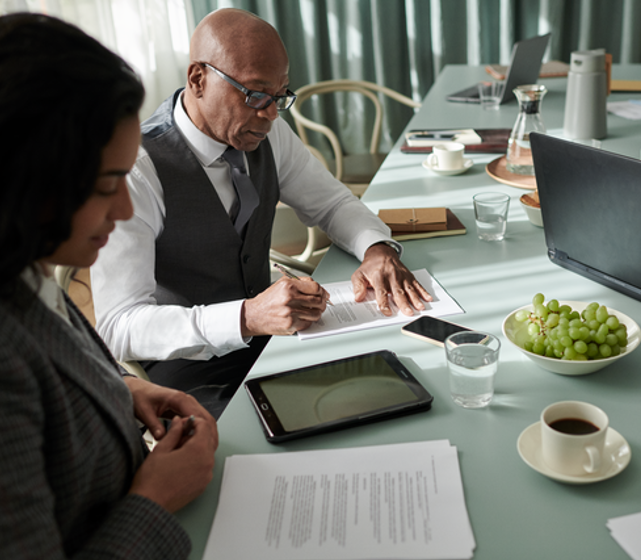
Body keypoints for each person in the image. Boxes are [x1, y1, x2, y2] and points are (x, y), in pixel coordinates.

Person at [0, 14, 217, 559]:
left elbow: (44, 360)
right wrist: (155, 498)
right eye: (105, 187)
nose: (123, 211)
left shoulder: (18, 264)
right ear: (20, 183)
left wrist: (116, 387)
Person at [90, 8, 433, 412]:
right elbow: (118, 326)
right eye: (253, 93)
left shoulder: (266, 132)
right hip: (194, 375)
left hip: (274, 344)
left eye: (279, 95)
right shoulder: (138, 169)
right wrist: (247, 317)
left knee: (388, 389)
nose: (269, 113)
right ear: (198, 79)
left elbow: (333, 203)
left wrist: (377, 250)